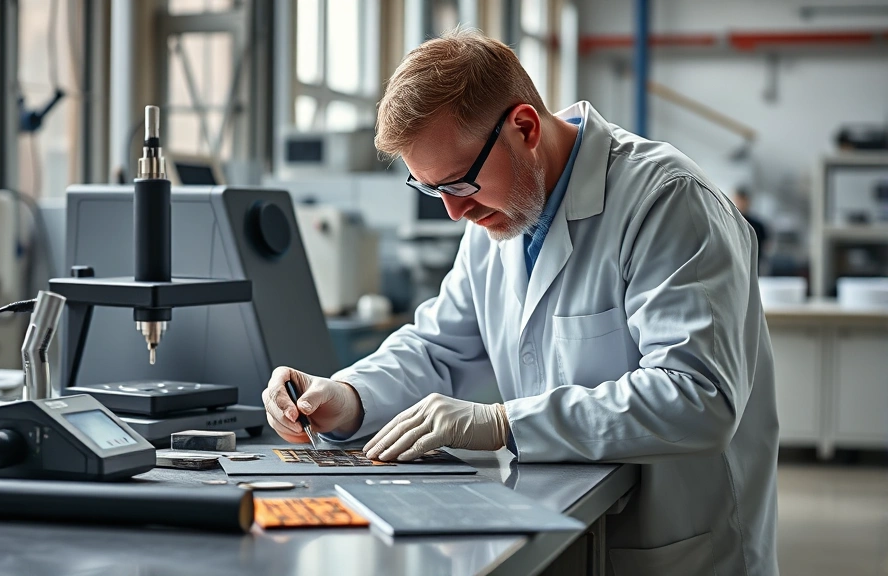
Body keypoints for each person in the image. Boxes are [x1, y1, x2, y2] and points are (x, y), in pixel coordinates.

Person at [263, 29, 778, 576]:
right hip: (565, 523)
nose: (453, 214)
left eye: (459, 185)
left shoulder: (667, 202)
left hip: (680, 547)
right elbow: (439, 349)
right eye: (432, 190)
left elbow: (700, 397)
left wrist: (504, 422)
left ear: (525, 127)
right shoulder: (496, 220)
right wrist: (347, 397)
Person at [732, 187, 769, 268]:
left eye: (743, 200)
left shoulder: (758, 225)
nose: (741, 203)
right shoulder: (730, 223)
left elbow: (765, 246)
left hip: (753, 265)